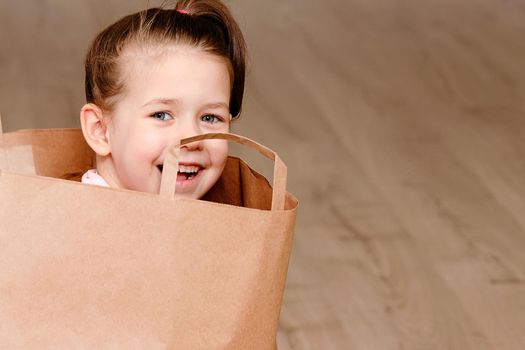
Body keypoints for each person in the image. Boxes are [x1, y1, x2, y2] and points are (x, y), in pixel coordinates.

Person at [79, 0, 247, 199]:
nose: (192, 138)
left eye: (210, 118)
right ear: (100, 130)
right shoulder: (74, 223)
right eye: (162, 115)